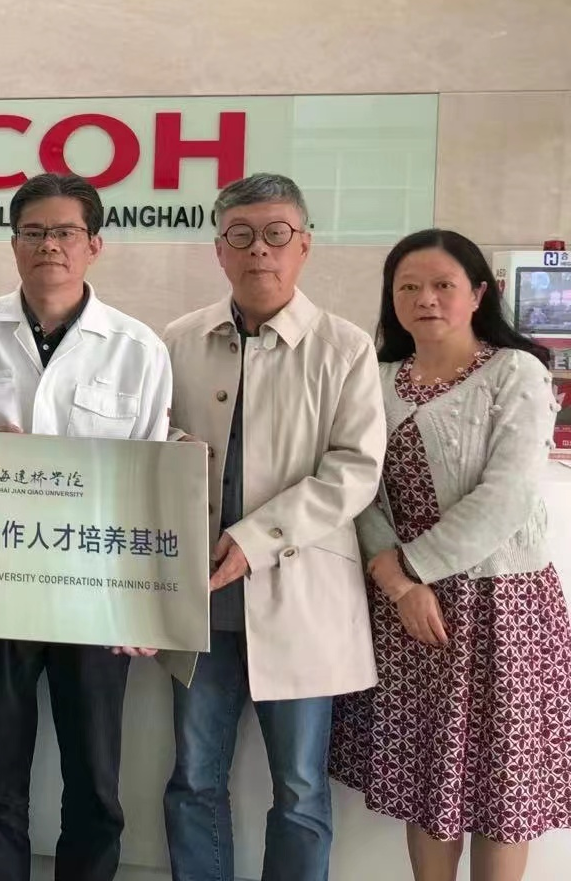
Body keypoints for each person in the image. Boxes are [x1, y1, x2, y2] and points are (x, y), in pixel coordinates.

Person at [160, 173, 386, 881]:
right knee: (193, 777)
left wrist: (255, 539)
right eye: (241, 234)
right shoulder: (179, 339)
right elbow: (150, 439)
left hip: (298, 598)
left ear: (304, 246)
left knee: (299, 789)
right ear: (219, 250)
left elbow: (355, 470)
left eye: (276, 234)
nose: (259, 249)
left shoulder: (344, 347)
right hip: (200, 601)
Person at [0, 173, 172, 881]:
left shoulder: (137, 348)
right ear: (14, 243)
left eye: (66, 232)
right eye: (34, 232)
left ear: (94, 245)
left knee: (96, 783)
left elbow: (151, 480)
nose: (50, 245)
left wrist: (144, 601)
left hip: (95, 592)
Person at [329, 229, 571, 881]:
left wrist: (409, 568)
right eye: (408, 286)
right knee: (427, 779)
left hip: (503, 608)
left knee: (502, 787)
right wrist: (398, 583)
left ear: (478, 295)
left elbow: (507, 496)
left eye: (443, 285)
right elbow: (355, 483)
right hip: (407, 611)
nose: (425, 299)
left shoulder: (516, 372)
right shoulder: (375, 377)